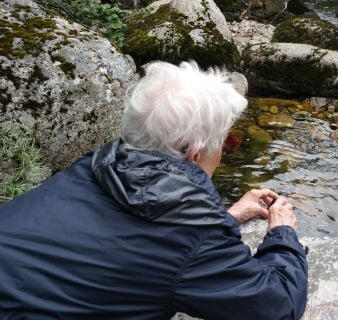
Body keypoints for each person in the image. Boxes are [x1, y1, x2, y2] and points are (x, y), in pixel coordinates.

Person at [0, 61, 308, 319]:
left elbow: (129, 241)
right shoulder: (191, 235)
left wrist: (225, 217)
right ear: (194, 153)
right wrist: (282, 234)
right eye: (226, 143)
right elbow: (276, 306)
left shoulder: (88, 170)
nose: (224, 153)